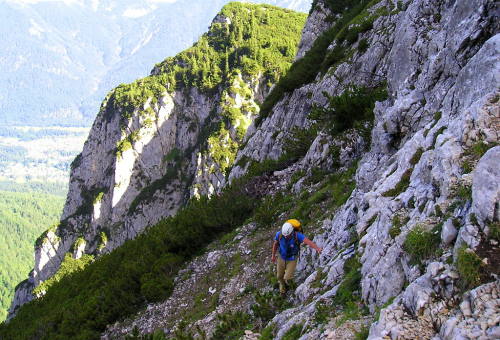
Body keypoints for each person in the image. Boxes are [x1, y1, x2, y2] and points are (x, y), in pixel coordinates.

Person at [271, 221, 322, 297]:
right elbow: (275, 244)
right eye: (284, 235)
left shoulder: (297, 236)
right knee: (279, 276)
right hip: (282, 257)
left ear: (291, 232)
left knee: (287, 278)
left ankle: (289, 287)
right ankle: (283, 291)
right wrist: (273, 255)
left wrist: (317, 249)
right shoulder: (280, 235)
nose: (285, 237)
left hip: (292, 258)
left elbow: (308, 242)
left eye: (287, 235)